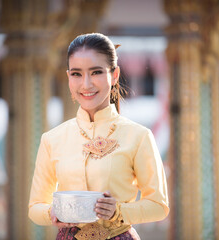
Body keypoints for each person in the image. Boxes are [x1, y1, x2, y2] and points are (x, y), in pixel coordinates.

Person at [28, 33, 169, 240]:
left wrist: (118, 212)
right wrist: (51, 213)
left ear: (115, 75)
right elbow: (35, 206)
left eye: (95, 72)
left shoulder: (138, 136)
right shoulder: (52, 139)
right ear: (68, 78)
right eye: (76, 74)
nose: (86, 84)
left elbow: (159, 205)